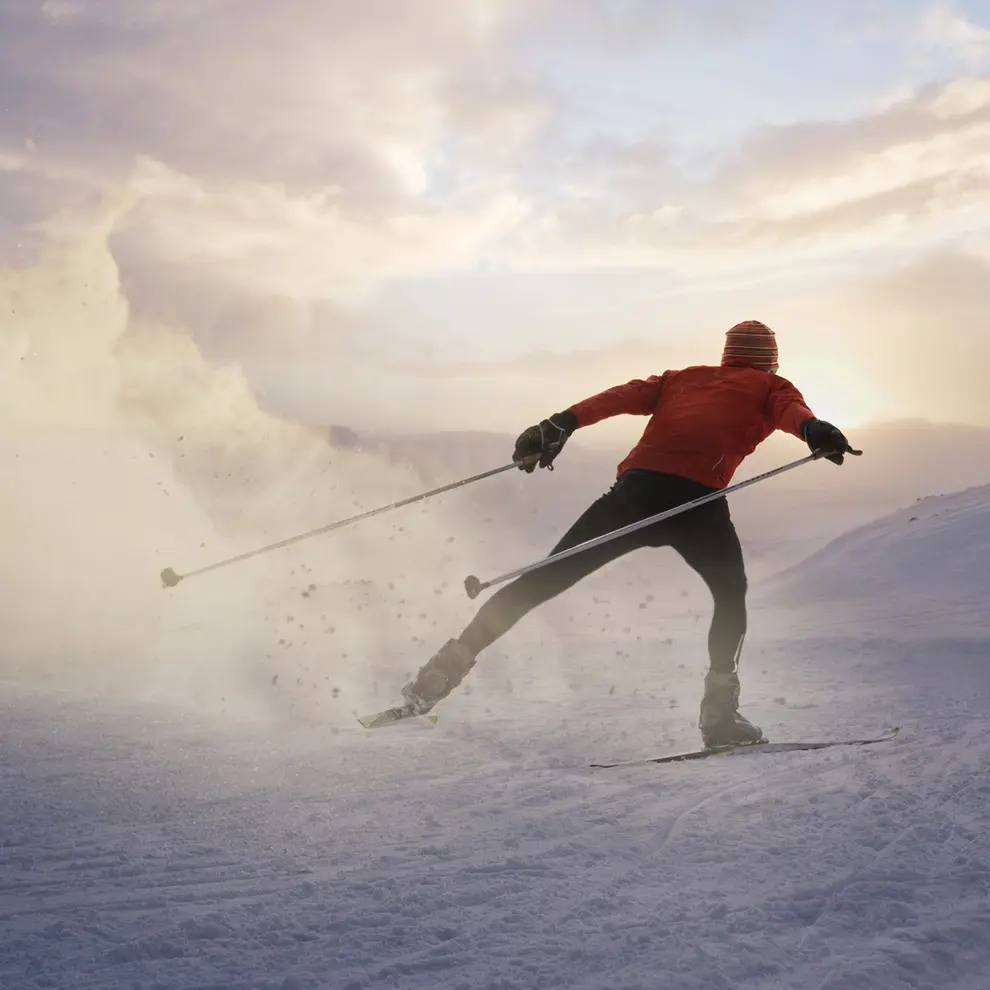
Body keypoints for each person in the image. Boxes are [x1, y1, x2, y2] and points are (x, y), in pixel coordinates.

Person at [400, 320, 853, 747]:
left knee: (542, 580)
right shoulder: (773, 387)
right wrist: (815, 431)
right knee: (730, 596)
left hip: (635, 494)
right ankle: (720, 718)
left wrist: (559, 423)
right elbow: (794, 414)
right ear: (771, 362)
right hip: (697, 507)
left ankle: (440, 673)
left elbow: (619, 396)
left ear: (726, 356)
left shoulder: (682, 378)